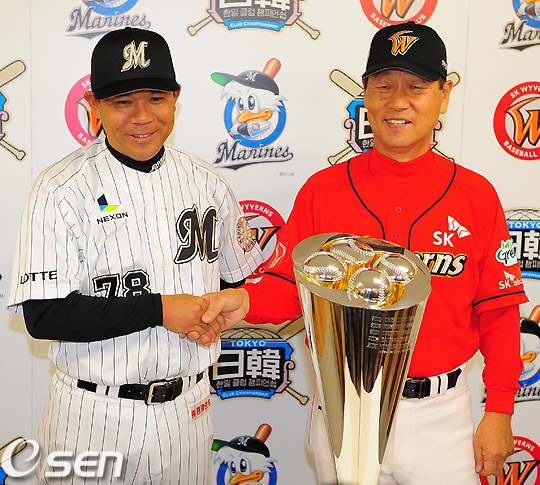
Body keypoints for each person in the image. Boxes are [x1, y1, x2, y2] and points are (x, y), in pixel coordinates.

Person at [201, 21, 528, 484]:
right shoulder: (323, 190)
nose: (398, 102)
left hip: (439, 414)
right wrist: (246, 300)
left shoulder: (475, 196)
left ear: (444, 96)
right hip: (343, 408)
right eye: (384, 85)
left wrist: (500, 410)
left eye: (416, 87)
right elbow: (291, 287)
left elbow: (498, 312)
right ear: (366, 94)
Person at [7, 27, 263, 484]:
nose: (142, 117)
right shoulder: (60, 188)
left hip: (188, 412)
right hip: (92, 415)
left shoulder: (208, 182)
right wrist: (158, 310)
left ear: (176, 98)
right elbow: (43, 316)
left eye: (156, 98)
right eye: (123, 101)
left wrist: (230, 303)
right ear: (95, 106)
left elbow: (232, 281)